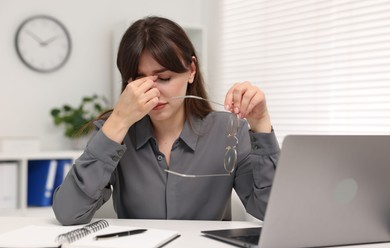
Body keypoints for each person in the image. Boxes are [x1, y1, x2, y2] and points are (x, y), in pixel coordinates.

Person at [53, 16, 280, 225]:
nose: (153, 91)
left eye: (164, 78)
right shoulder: (115, 133)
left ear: (191, 70)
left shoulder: (229, 131)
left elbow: (270, 212)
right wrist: (118, 121)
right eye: (139, 81)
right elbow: (68, 213)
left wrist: (260, 123)